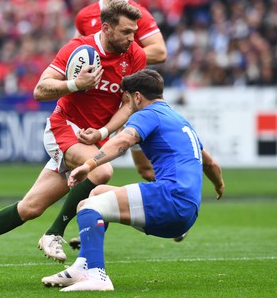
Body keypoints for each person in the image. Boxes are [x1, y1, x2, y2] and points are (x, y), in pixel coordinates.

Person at [0, 0, 147, 280]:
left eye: (134, 31)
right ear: (107, 28)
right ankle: (54, 233)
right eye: (126, 32)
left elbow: (128, 104)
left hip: (91, 139)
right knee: (102, 170)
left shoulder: (134, 55)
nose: (132, 38)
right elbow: (40, 89)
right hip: (64, 127)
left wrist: (101, 133)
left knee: (30, 208)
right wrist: (75, 85)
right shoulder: (78, 49)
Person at [41, 69, 225, 291]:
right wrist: (218, 185)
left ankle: (97, 276)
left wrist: (89, 165)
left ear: (137, 97)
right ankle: (82, 266)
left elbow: (122, 142)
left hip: (170, 199)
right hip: (189, 211)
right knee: (96, 194)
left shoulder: (146, 114)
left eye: (126, 100)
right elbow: (211, 164)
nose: (126, 107)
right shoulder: (179, 119)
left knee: (88, 207)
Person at [41, 0, 172, 255]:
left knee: (144, 167)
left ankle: (170, 212)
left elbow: (160, 53)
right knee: (98, 172)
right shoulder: (85, 16)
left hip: (123, 105)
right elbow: (79, 56)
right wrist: (82, 76)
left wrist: (121, 55)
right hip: (85, 118)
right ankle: (81, 226)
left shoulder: (138, 15)